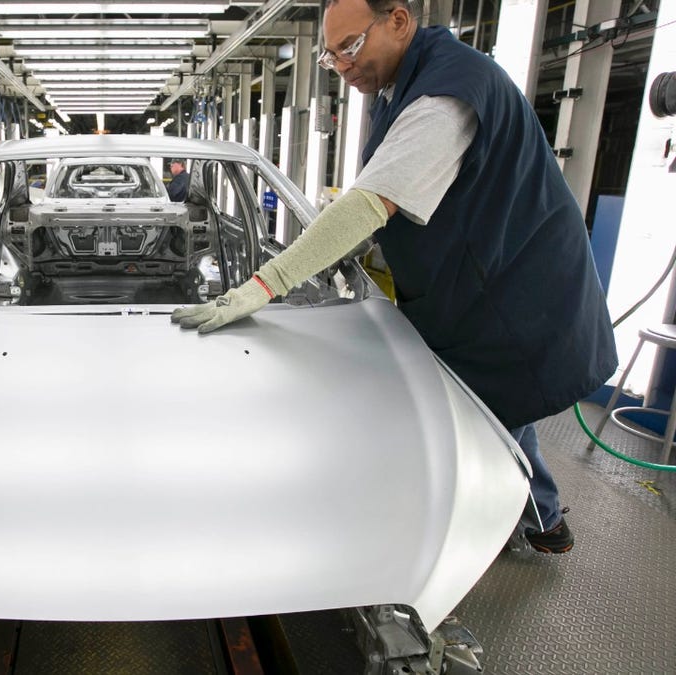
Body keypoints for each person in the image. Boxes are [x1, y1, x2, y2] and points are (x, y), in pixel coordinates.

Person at [172, 0, 616, 554]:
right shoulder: (399, 85)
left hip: (515, 296)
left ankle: (447, 540)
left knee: (477, 420)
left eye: (350, 47)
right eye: (331, 55)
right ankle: (545, 520)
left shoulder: (445, 97)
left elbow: (366, 206)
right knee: (497, 412)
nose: (341, 65)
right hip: (477, 287)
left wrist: (263, 285)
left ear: (399, 21)